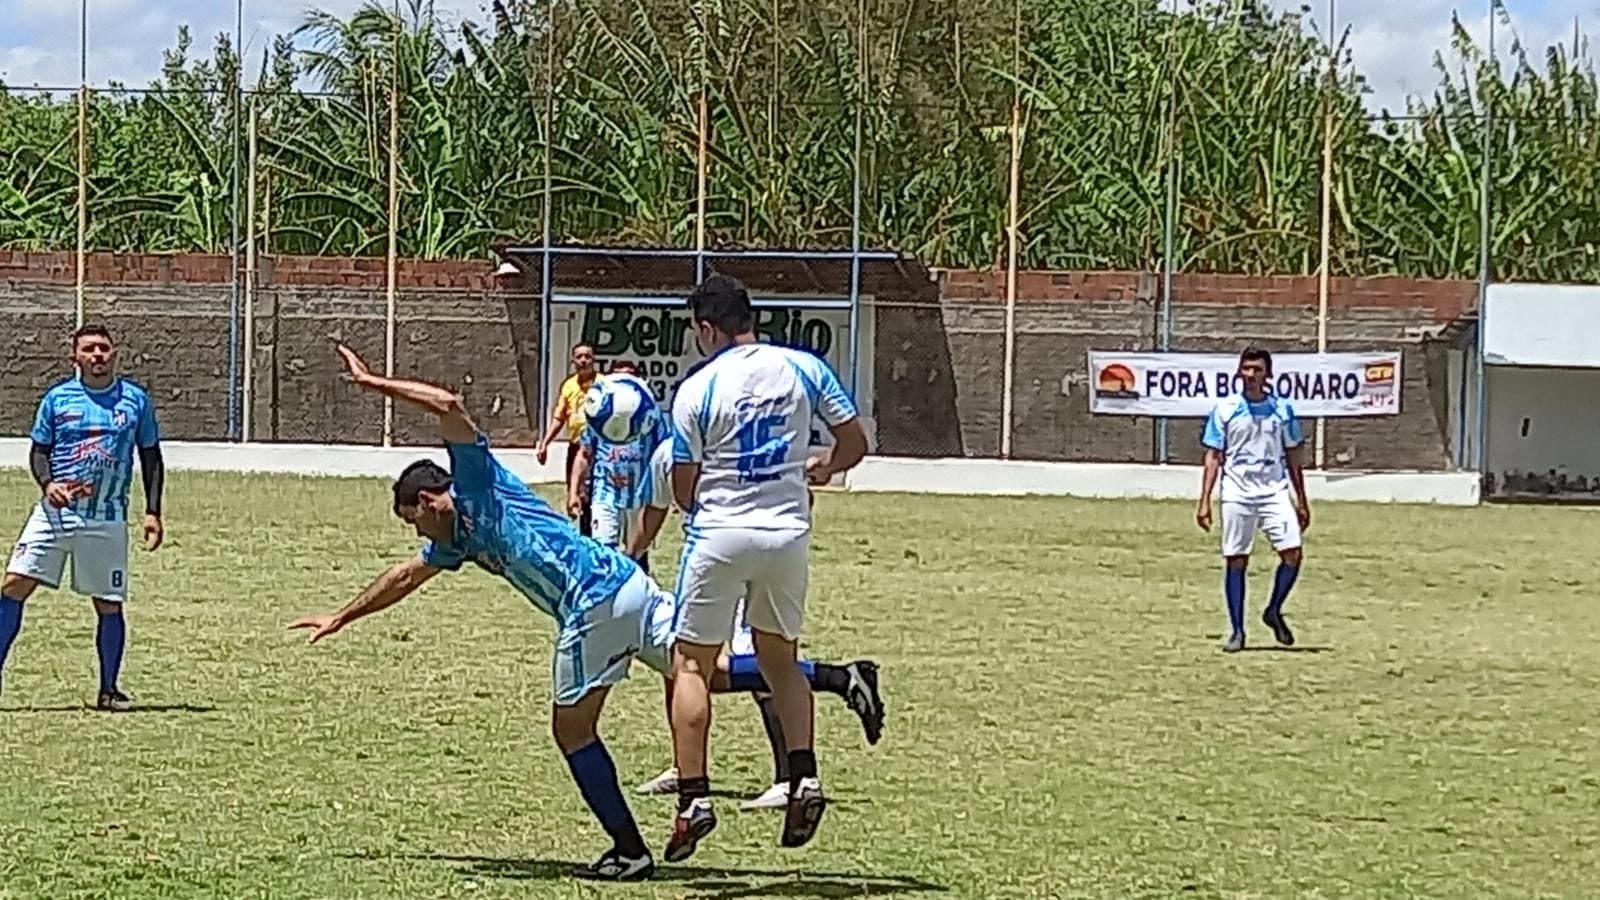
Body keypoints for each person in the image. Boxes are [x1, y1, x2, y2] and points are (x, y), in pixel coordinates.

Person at [287, 343, 865, 883]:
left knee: (572, 730)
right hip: (627, 584)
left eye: (412, 519)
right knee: (703, 672)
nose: (416, 531)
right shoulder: (456, 539)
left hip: (591, 605)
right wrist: (341, 616)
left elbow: (448, 404)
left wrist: (373, 383)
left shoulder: (475, 480)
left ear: (427, 500)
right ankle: (840, 677)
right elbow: (404, 576)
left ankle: (630, 851)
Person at [661, 275, 869, 861]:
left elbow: (683, 485)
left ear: (707, 329)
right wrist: (824, 465)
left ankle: (694, 799)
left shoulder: (698, 388)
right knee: (781, 658)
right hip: (786, 533)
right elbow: (855, 442)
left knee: (692, 664)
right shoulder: (803, 367)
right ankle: (804, 776)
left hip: (720, 533)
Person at [629, 431, 883, 809]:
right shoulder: (673, 451)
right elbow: (655, 510)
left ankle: (789, 775)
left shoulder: (733, 445)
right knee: (682, 661)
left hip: (744, 562)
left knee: (757, 662)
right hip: (708, 564)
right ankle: (686, 767)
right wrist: (630, 560)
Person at [1, 324, 166, 711]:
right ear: (74, 356)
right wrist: (48, 484)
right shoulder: (58, 399)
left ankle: (109, 691)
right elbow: (39, 451)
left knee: (109, 601)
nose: (97, 355)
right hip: (55, 515)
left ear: (114, 354)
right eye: (89, 349)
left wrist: (153, 512)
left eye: (103, 348)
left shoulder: (135, 401)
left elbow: (151, 456)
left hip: (107, 519)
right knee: (13, 585)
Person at [1196, 347, 1310, 653]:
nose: (1250, 375)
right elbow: (1213, 456)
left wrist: (1301, 498)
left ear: (1267, 374)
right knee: (1237, 558)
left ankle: (1273, 609)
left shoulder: (1282, 410)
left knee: (1293, 553)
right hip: (1237, 493)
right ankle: (1237, 631)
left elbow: (1293, 454)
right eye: (1246, 369)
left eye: (1257, 369)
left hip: (1273, 491)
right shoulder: (1226, 408)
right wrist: (1205, 500)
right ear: (1239, 372)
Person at [566, 361, 668, 573]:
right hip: (605, 494)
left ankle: (638, 591)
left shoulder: (652, 416)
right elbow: (584, 453)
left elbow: (664, 455)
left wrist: (669, 491)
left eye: (629, 377)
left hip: (640, 497)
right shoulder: (599, 415)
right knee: (603, 555)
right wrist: (574, 492)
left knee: (637, 556)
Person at [536, 342, 599, 535]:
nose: (583, 360)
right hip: (575, 446)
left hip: (598, 448)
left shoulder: (604, 384)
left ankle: (595, 534)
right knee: (576, 494)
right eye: (579, 357)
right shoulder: (569, 386)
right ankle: (583, 535)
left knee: (595, 493)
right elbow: (559, 418)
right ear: (573, 361)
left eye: (587, 356)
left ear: (594, 359)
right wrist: (545, 443)